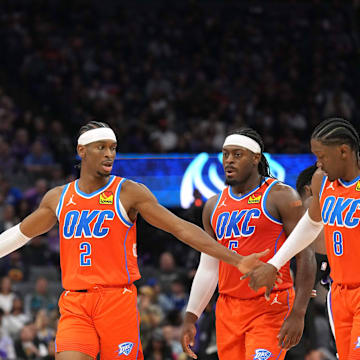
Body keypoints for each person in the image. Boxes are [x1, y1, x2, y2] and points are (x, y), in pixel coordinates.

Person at [0, 120, 269, 360]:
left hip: (117, 302)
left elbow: (181, 228)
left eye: (113, 148)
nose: (109, 154)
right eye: (101, 147)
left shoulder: (128, 192)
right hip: (75, 303)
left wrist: (237, 261)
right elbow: (20, 234)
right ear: (82, 151)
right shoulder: (59, 197)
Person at [181, 128, 316, 360]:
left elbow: (306, 254)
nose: (229, 161)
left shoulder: (282, 196)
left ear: (256, 158)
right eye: (225, 154)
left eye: (237, 154)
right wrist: (191, 316)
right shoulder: (213, 206)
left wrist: (298, 313)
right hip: (228, 308)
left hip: (270, 304)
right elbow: (208, 266)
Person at [243, 118, 360, 360]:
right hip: (338, 293)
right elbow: (311, 223)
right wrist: (275, 263)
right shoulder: (321, 181)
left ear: (344, 151)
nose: (318, 163)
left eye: (322, 156)